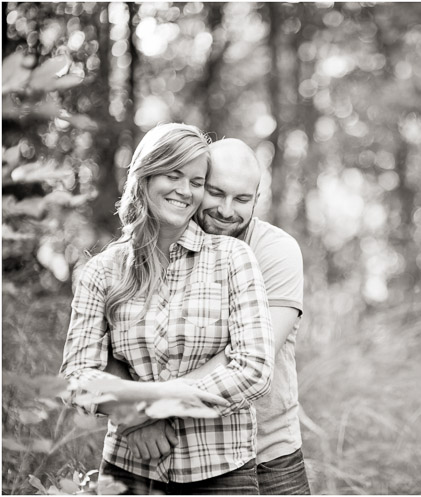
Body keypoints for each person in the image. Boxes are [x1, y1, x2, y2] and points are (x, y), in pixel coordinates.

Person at [60, 123, 275, 494]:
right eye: (173, 175)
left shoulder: (232, 258)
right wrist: (140, 411)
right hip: (128, 470)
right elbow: (77, 378)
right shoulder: (101, 270)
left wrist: (149, 407)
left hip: (221, 470)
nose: (185, 190)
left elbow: (254, 369)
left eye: (195, 181)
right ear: (144, 177)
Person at [109, 138, 310, 494]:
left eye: (242, 199)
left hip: (266, 455)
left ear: (257, 200)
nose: (227, 210)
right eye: (216, 193)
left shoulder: (275, 252)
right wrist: (131, 418)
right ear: (196, 184)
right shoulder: (151, 246)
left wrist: (147, 407)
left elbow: (244, 359)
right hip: (155, 453)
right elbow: (111, 348)